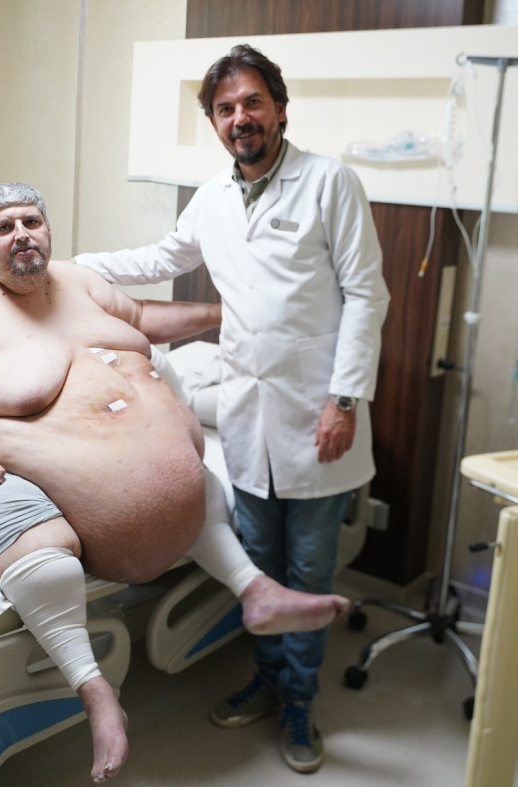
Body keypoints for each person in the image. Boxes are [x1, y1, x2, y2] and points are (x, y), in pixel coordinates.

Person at [0, 182, 349, 783]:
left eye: (31, 221)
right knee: (46, 558)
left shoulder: (76, 283)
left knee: (196, 484)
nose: (21, 235)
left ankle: (255, 590)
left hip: (112, 459)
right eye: (4, 228)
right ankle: (96, 692)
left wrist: (224, 314)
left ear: (48, 229)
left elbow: (142, 318)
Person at [74, 45, 390, 774]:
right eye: (225, 109)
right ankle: (267, 680)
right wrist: (75, 265)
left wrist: (344, 398)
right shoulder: (213, 196)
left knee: (307, 575)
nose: (239, 117)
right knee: (262, 569)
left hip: (320, 415)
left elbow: (367, 296)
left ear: (279, 109)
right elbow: (164, 257)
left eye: (252, 102)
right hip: (249, 416)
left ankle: (299, 702)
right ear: (215, 123)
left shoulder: (329, 182)